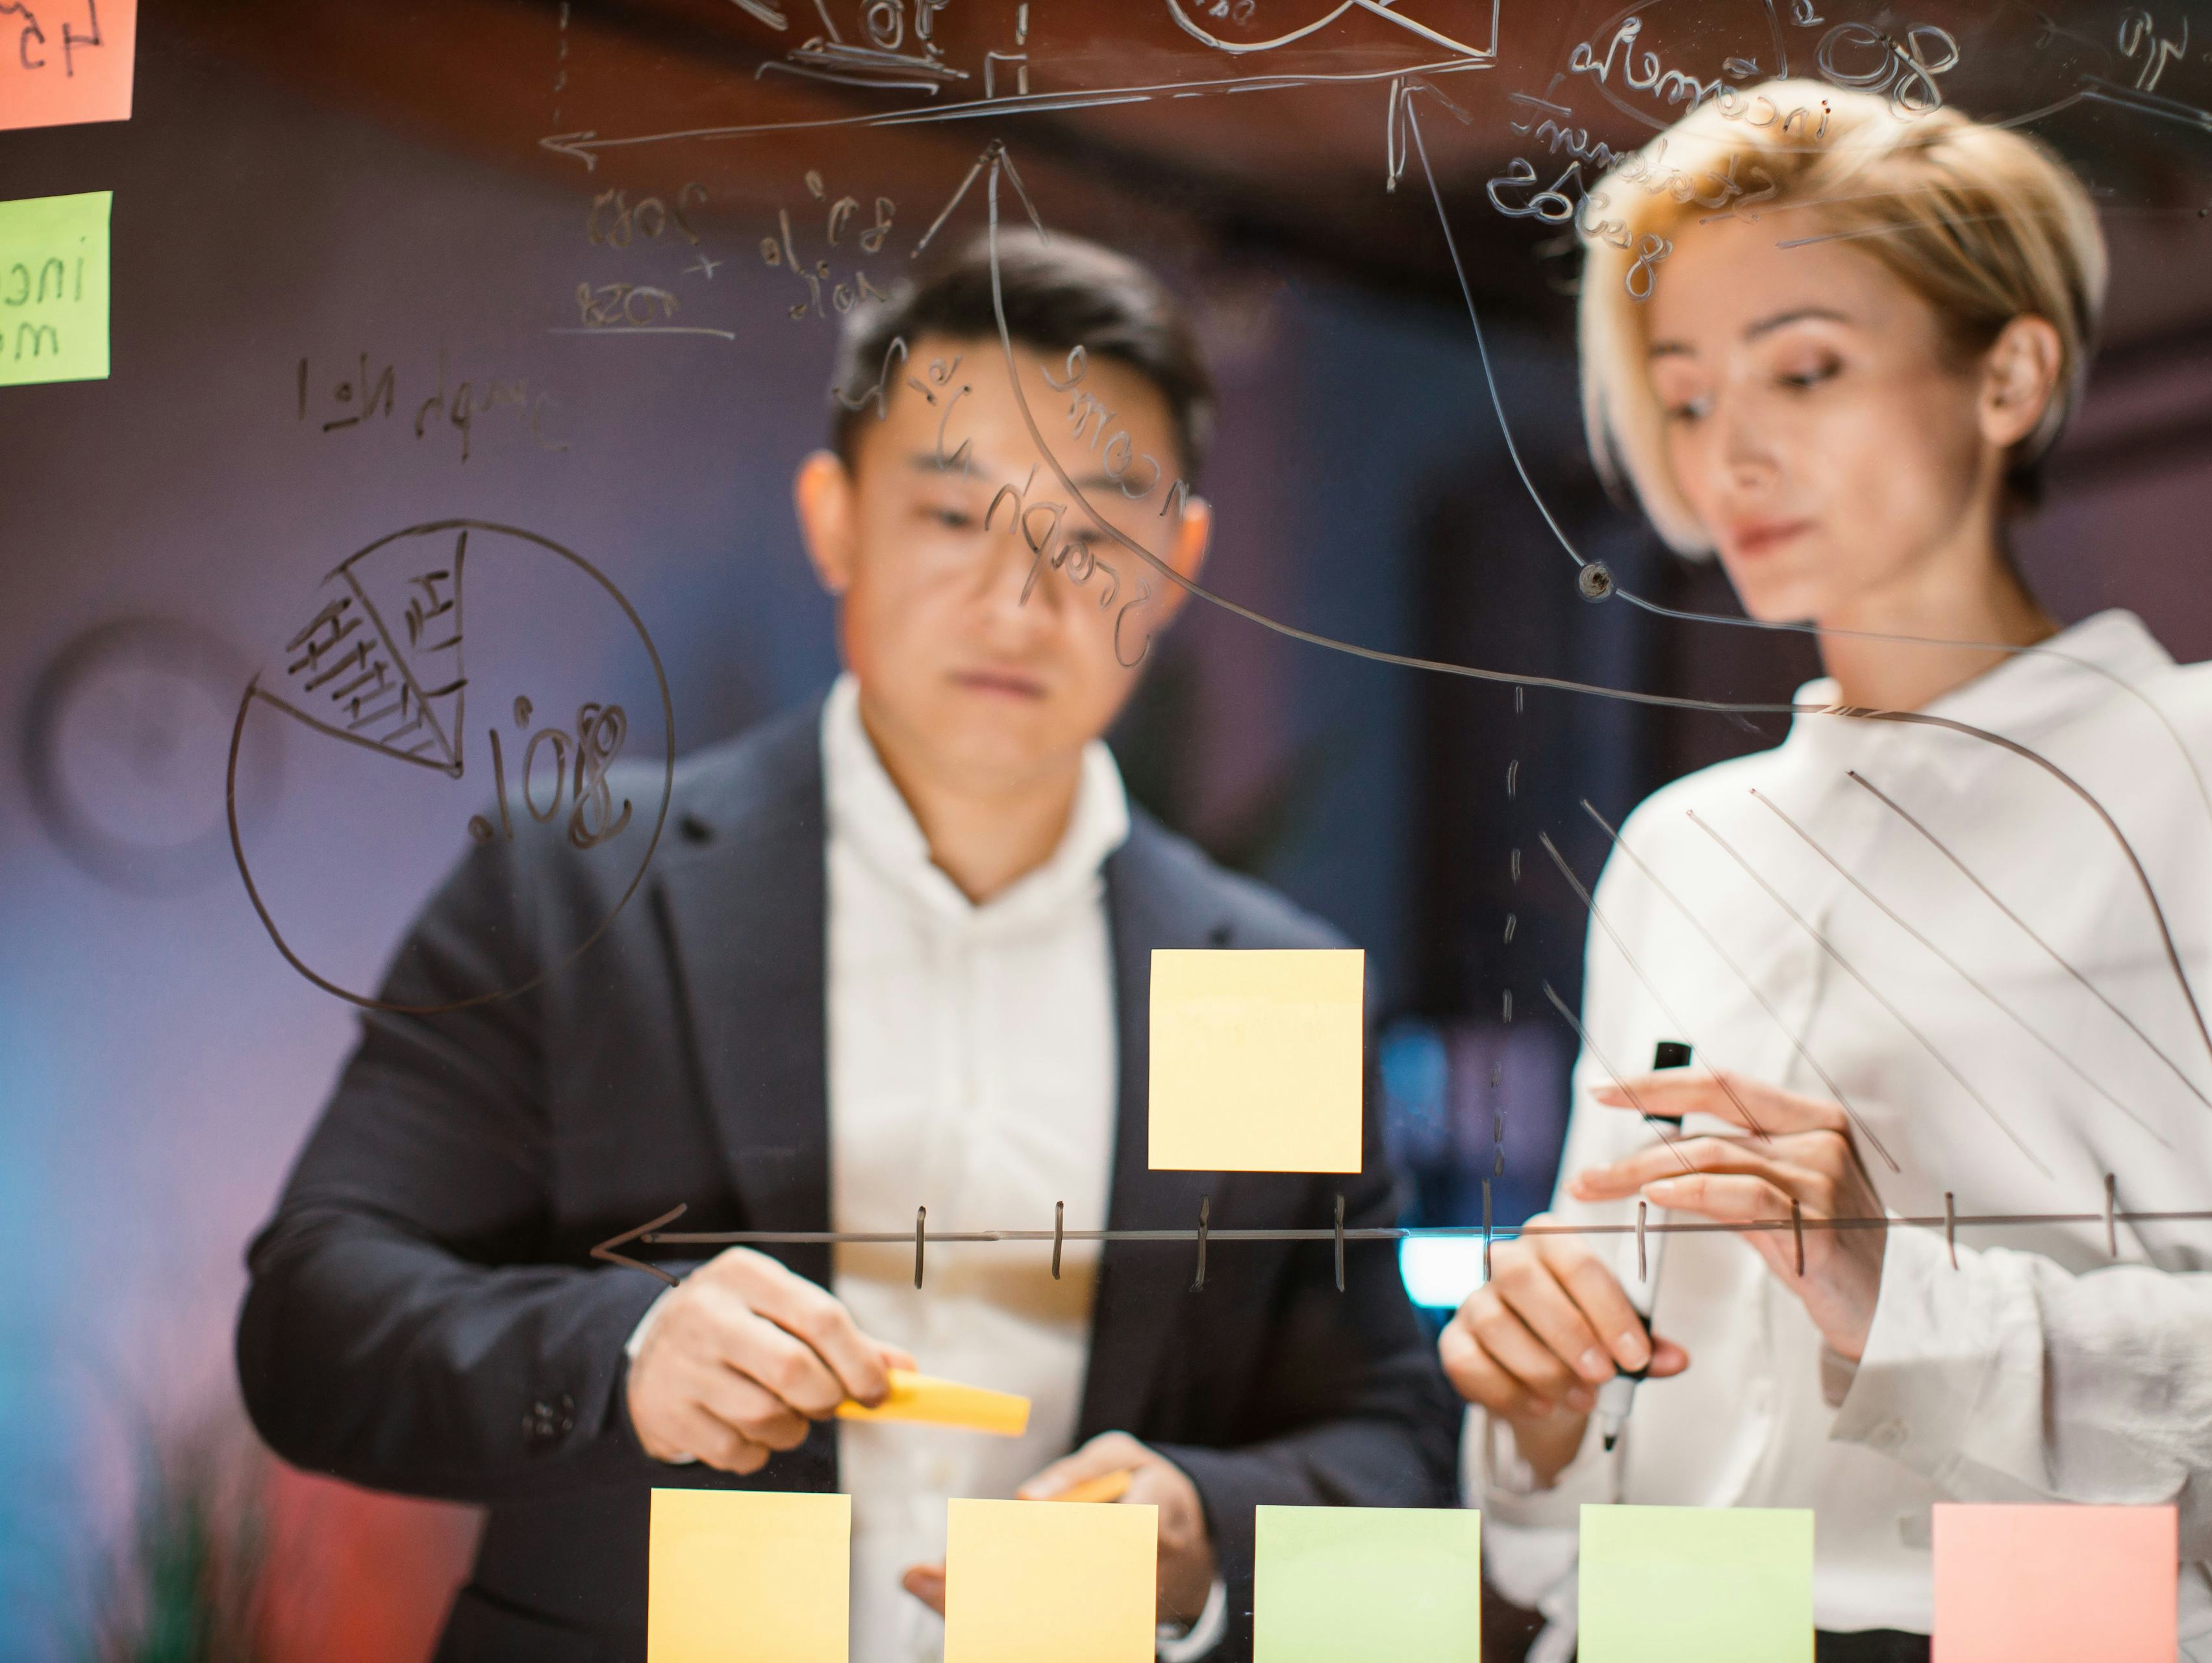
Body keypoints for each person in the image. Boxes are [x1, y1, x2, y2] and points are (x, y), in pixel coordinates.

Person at [237, 229, 1457, 1663]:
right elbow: (313, 1320)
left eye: (1096, 524)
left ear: (1180, 556)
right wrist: (626, 1353)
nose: (1022, 597)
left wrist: (1203, 1529)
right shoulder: (583, 883)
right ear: (836, 517)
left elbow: (1393, 1432)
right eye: (954, 515)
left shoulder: (1252, 980)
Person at [1437, 80, 2212, 1663]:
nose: (1737, 450)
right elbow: (1594, 1477)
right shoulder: (1680, 849)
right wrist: (1538, 1410)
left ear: (2008, 372)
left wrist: (1907, 1301)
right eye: (1689, 395)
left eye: (1805, 367)